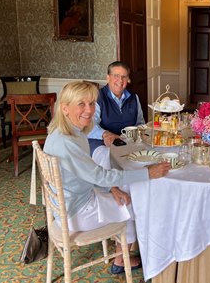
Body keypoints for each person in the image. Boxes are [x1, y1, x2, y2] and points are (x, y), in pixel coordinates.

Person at [44, 81, 171, 274]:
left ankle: (123, 253)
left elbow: (88, 173)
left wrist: (111, 189)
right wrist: (148, 173)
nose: (89, 110)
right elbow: (100, 176)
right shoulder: (67, 142)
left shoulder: (61, 132)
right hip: (76, 214)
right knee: (135, 202)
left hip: (68, 204)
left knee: (123, 192)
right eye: (81, 104)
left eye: (92, 103)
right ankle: (122, 259)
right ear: (65, 108)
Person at [88, 61, 145, 154]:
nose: (120, 80)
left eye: (124, 77)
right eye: (116, 76)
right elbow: (90, 126)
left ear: (128, 79)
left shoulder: (134, 97)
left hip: (128, 143)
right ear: (108, 78)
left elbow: (140, 123)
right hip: (103, 144)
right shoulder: (97, 97)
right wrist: (106, 134)